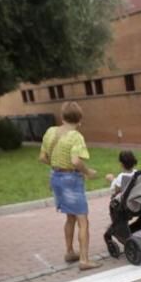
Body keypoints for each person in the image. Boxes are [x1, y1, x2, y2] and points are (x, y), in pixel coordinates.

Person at [39, 101, 102, 271]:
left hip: (55, 177)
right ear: (79, 118)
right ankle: (84, 259)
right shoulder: (76, 136)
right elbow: (75, 161)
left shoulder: (51, 132)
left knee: (70, 217)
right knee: (83, 220)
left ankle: (69, 251)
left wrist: (57, 166)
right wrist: (88, 172)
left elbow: (43, 157)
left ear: (63, 116)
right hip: (71, 179)